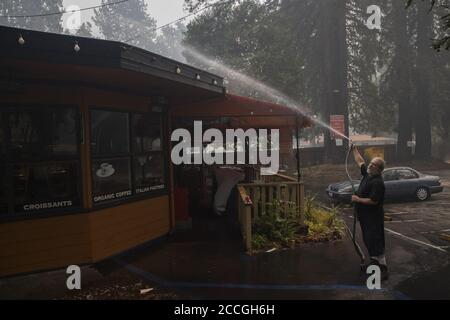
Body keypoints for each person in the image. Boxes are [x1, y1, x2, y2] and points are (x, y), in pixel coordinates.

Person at [350, 145, 388, 280]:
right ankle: (374, 264)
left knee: (375, 241)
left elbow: (373, 201)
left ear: (379, 169)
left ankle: (383, 269)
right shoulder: (368, 174)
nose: (370, 166)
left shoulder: (378, 183)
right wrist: (354, 149)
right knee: (368, 240)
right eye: (371, 163)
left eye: (374, 165)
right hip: (365, 217)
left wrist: (358, 199)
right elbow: (360, 161)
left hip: (373, 218)